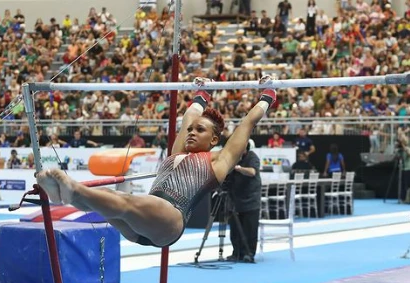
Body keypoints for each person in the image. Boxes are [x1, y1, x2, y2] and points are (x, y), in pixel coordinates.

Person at [36, 76, 276, 248]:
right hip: (141, 227)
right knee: (108, 200)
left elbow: (248, 123)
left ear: (214, 139)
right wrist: (202, 93)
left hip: (169, 220)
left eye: (199, 130)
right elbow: (189, 117)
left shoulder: (219, 161)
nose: (191, 132)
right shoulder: (177, 152)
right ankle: (66, 195)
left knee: (124, 200)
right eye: (190, 130)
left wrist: (268, 94)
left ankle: (74, 189)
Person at [226, 139, 261, 263]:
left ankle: (249, 253)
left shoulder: (252, 157)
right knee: (235, 229)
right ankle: (237, 252)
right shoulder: (234, 158)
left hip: (250, 199)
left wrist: (239, 168)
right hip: (235, 199)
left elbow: (252, 172)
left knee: (250, 229)